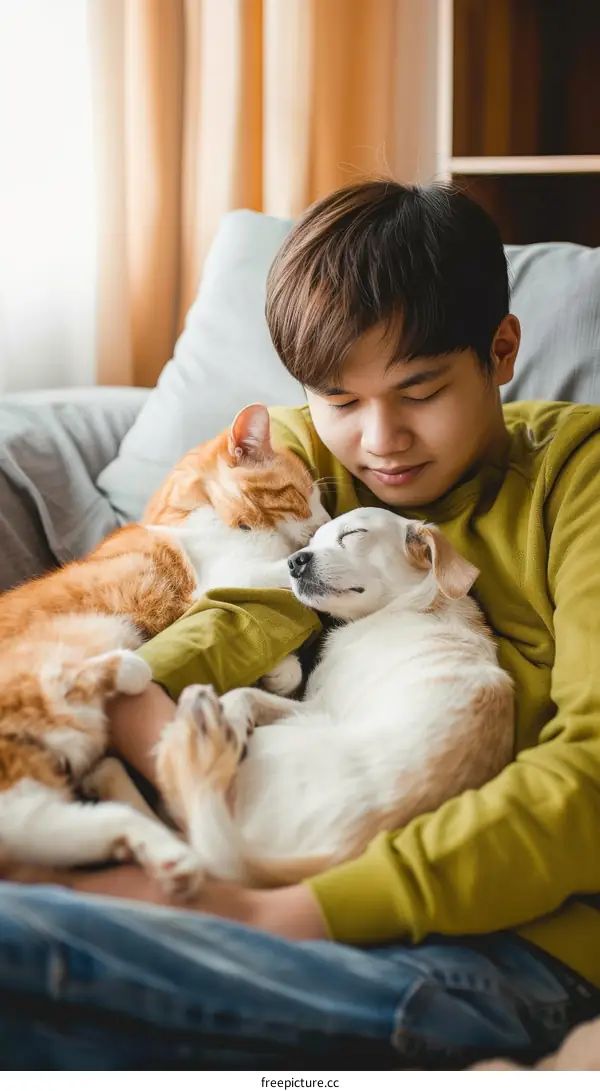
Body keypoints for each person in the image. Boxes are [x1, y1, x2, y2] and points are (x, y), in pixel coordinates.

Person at [2, 181, 600, 1070]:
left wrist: (276, 911)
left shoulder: (577, 476)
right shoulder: (300, 459)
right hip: (248, 849)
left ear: (501, 350)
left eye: (420, 390)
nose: (380, 439)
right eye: (339, 398)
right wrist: (162, 748)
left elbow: (590, 772)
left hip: (496, 938)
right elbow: (243, 616)